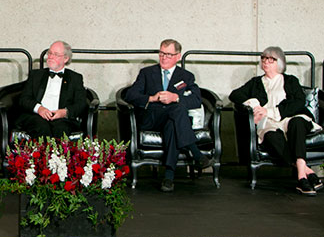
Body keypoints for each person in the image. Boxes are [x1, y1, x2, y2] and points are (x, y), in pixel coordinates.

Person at [229, 46, 322, 196]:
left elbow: (299, 101)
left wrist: (272, 111)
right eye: (264, 58)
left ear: (280, 62)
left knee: (296, 123)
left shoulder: (290, 80)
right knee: (270, 135)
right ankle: (306, 172)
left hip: (289, 117)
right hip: (269, 122)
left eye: (271, 59)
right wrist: (254, 103)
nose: (266, 62)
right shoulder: (256, 82)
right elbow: (235, 95)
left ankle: (301, 177)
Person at [124, 39, 213, 193]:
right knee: (177, 111)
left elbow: (197, 100)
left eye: (168, 54)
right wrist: (152, 98)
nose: (164, 58)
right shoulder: (147, 73)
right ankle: (196, 153)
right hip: (152, 118)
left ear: (178, 56)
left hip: (173, 120)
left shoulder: (186, 76)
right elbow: (130, 95)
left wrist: (175, 97)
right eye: (161, 53)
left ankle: (168, 177)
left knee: (173, 122)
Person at [17, 40, 88, 139]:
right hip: (36, 117)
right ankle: (41, 150)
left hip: (62, 119)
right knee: (41, 127)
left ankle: (57, 150)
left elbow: (81, 103)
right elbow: (24, 99)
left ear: (66, 58)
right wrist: (39, 109)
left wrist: (65, 112)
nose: (50, 57)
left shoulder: (75, 78)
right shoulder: (36, 75)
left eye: (56, 54)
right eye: (49, 53)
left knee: (61, 129)